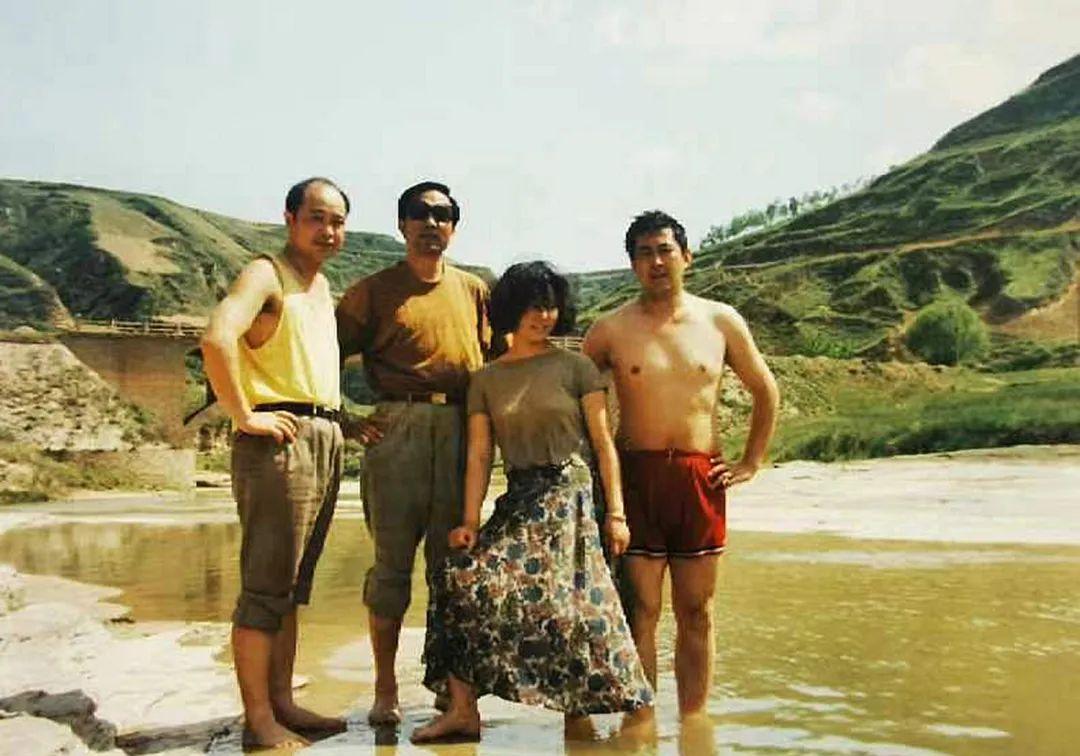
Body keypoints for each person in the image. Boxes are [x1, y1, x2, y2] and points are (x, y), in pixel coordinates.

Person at [412, 261, 654, 744]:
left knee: (578, 609)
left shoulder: (575, 367)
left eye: (549, 306)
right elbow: (480, 454)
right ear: (510, 309)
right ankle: (462, 711)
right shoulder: (486, 379)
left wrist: (617, 514)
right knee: (458, 579)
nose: (543, 316)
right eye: (532, 306)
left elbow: (603, 445)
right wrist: (469, 521)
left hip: (571, 495)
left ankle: (625, 718)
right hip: (520, 496)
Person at [583, 210, 780, 716]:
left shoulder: (720, 321)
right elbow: (573, 393)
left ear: (686, 257)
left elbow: (765, 390)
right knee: (642, 611)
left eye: (665, 250)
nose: (656, 262)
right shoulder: (610, 329)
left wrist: (751, 461)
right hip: (636, 476)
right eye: (644, 253)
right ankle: (642, 723)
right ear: (632, 264)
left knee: (697, 610)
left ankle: (695, 725)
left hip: (699, 476)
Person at [200, 177, 350, 748]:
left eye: (337, 221)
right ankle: (259, 718)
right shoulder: (266, 273)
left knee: (291, 587)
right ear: (290, 219)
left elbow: (304, 366)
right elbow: (217, 338)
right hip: (279, 440)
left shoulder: (321, 285)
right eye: (317, 218)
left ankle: (283, 702)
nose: (328, 231)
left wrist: (343, 418)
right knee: (266, 587)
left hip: (321, 434)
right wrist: (244, 415)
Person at [335, 181, 492, 725]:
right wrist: (344, 418)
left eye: (442, 214)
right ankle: (385, 690)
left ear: (454, 226)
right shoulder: (372, 292)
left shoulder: (474, 290)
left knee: (453, 568)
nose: (431, 223)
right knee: (391, 569)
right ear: (401, 225)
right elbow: (321, 354)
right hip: (395, 429)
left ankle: (451, 691)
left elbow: (498, 364)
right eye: (419, 214)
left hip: (460, 429)